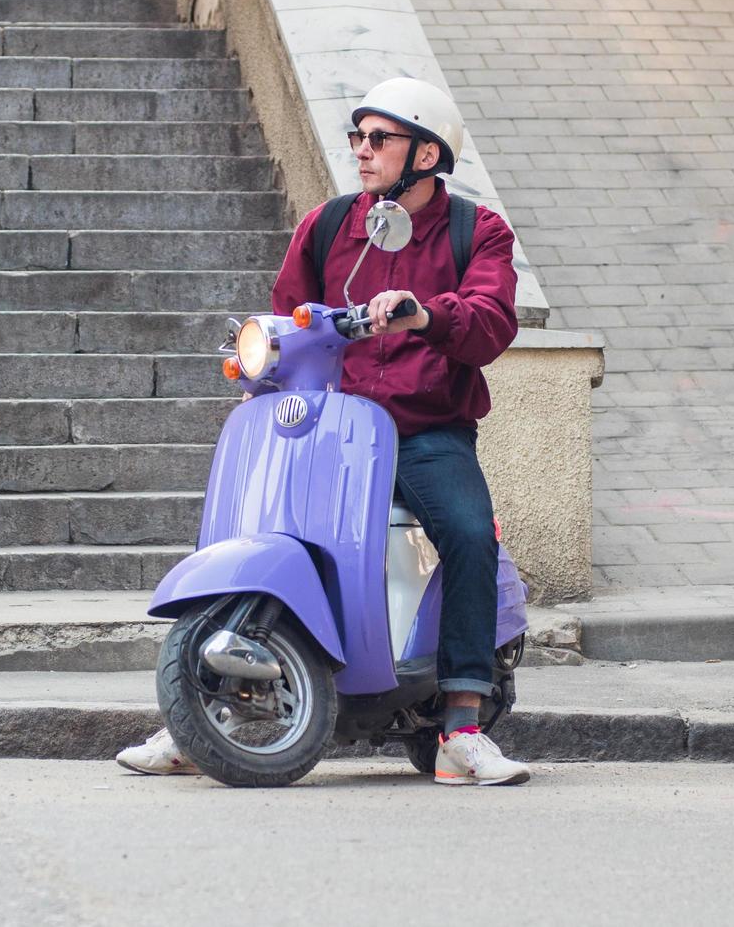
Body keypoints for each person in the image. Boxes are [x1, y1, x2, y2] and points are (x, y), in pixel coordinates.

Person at [118, 78, 529, 786]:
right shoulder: (330, 223)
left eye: (379, 139)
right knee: (244, 522)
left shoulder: (476, 230)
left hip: (423, 427)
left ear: (426, 152)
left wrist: (426, 316)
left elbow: (490, 321)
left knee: (466, 532)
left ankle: (461, 724)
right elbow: (288, 315)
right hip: (330, 424)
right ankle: (195, 717)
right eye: (356, 137)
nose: (360, 152)